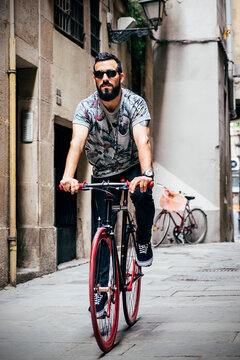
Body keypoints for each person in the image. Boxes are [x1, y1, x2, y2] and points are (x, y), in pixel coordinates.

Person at [60, 52, 155, 317]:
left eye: (111, 73)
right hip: (102, 172)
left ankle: (144, 240)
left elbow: (142, 139)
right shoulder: (86, 108)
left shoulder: (134, 103)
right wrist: (68, 176)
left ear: (120, 77)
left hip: (133, 167)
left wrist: (146, 174)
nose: (105, 79)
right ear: (94, 78)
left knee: (143, 198)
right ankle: (100, 292)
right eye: (100, 74)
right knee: (101, 229)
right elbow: (76, 143)